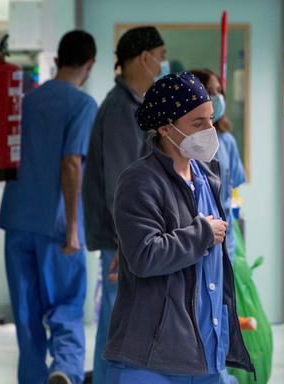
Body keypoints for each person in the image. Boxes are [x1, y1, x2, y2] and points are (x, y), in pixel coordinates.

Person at [104, 72, 253, 383]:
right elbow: (145, 256)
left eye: (210, 119)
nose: (209, 131)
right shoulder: (140, 181)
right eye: (197, 124)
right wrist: (201, 234)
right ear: (165, 128)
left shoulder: (206, 176)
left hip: (205, 354)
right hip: (153, 359)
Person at [0, 30, 98, 384]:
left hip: (17, 219)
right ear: (90, 65)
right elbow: (72, 162)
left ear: (57, 60)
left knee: (26, 315)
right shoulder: (83, 105)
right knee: (66, 305)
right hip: (57, 225)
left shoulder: (27, 101)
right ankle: (65, 371)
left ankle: (33, 378)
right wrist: (73, 227)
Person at [82, 25, 167, 384]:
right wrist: (127, 242)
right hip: (123, 242)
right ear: (145, 57)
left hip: (128, 238)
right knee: (119, 321)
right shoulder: (120, 110)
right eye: (160, 59)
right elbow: (119, 186)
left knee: (121, 319)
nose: (162, 67)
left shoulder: (136, 106)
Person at [189, 69, 245, 256]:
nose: (217, 96)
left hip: (225, 236)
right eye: (209, 91)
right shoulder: (186, 144)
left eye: (219, 91)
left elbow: (234, 181)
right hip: (196, 236)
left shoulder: (227, 141)